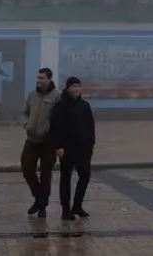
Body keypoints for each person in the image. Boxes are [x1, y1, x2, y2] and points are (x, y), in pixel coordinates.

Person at [49, 75, 96, 221]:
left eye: (78, 86)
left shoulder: (85, 106)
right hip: (67, 149)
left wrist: (90, 144)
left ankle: (77, 206)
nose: (76, 89)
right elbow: (56, 128)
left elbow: (90, 127)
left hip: (83, 148)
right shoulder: (61, 106)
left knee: (85, 175)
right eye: (73, 86)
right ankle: (66, 210)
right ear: (67, 88)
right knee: (66, 178)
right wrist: (58, 146)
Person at [21, 67, 59, 218]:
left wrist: (53, 136)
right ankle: (39, 198)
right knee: (27, 168)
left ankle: (42, 206)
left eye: (42, 78)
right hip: (32, 139)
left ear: (49, 79)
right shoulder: (32, 95)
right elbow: (25, 112)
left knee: (45, 174)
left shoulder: (57, 97)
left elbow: (59, 119)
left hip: (48, 142)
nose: (39, 80)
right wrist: (27, 124)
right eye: (38, 77)